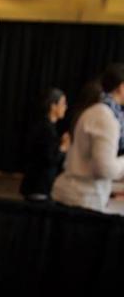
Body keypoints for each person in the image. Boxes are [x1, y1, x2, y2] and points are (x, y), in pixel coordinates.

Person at [52, 64, 124, 212]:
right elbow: (104, 169)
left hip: (78, 196)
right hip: (83, 200)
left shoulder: (98, 112)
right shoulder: (105, 117)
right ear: (122, 87)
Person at [21, 88, 69, 200]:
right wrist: (63, 147)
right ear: (53, 106)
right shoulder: (46, 128)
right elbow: (49, 158)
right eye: (63, 104)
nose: (65, 107)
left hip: (38, 185)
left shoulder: (45, 126)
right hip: (39, 187)